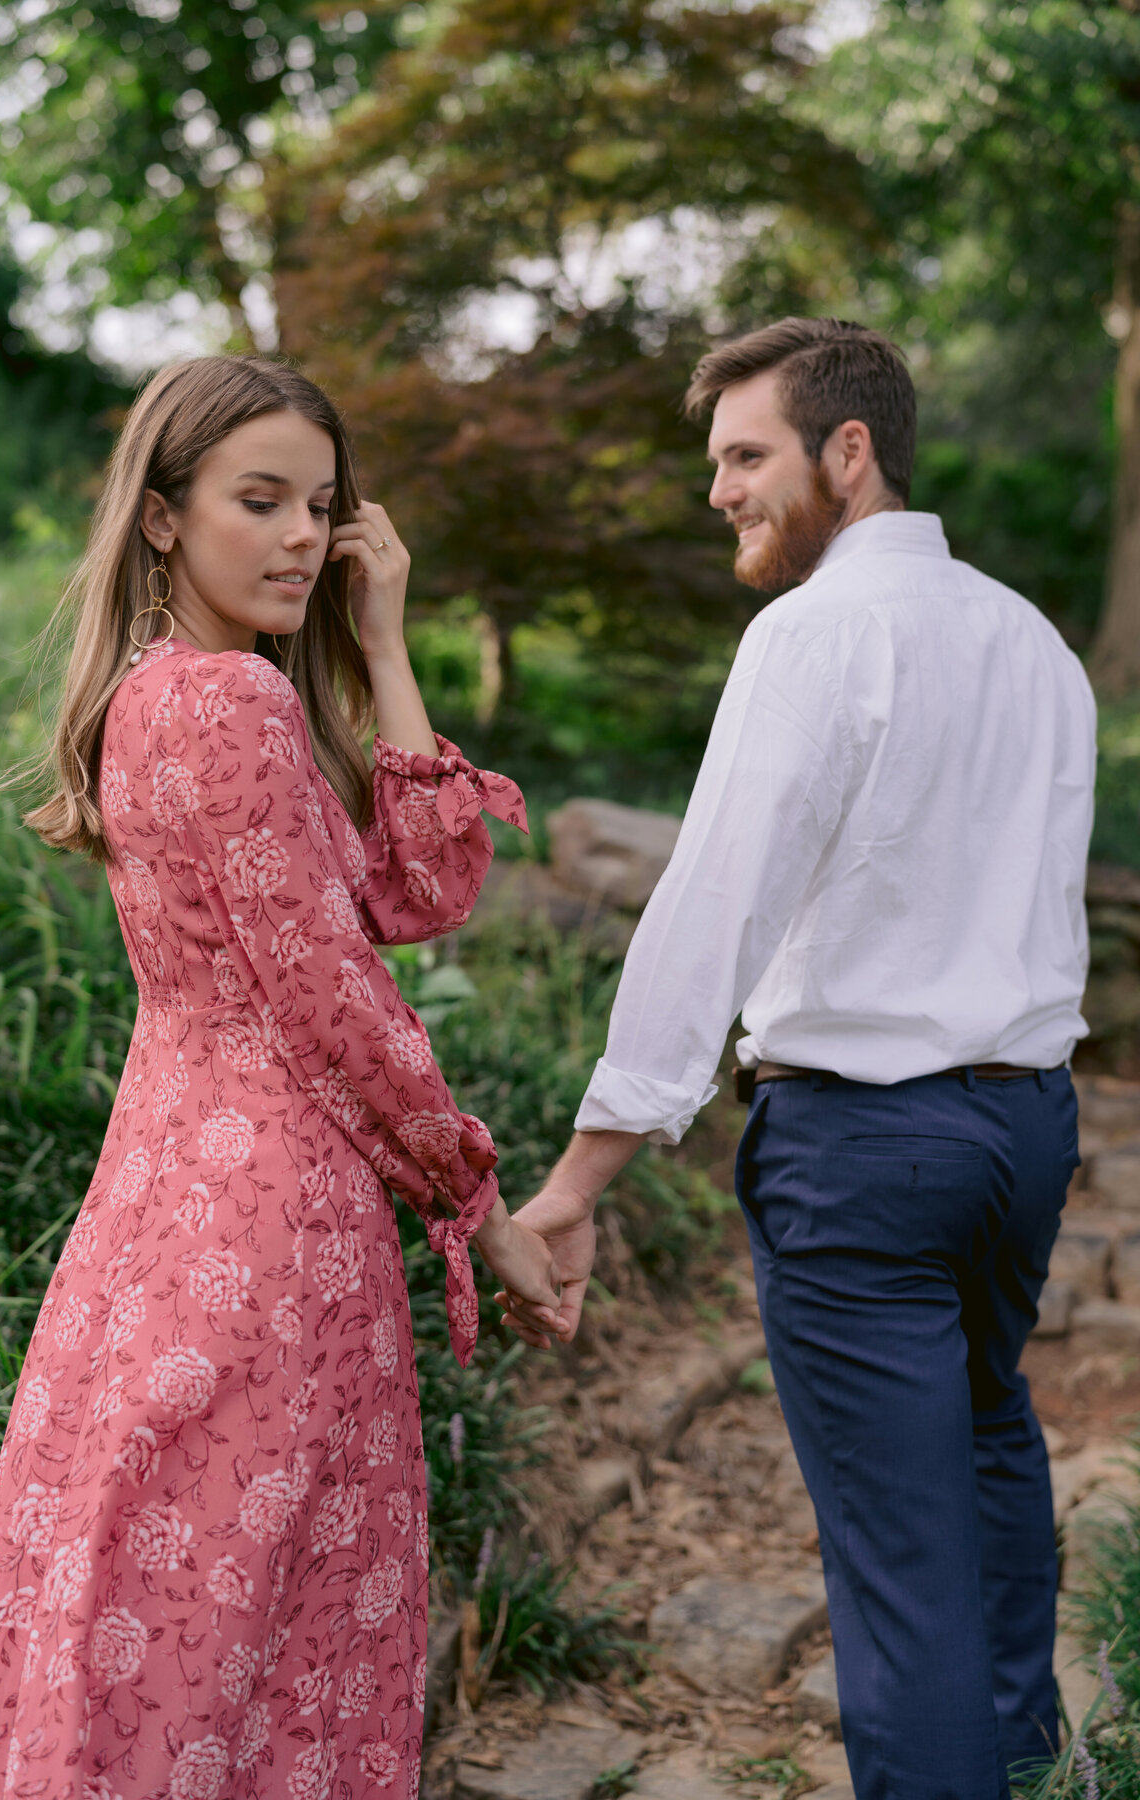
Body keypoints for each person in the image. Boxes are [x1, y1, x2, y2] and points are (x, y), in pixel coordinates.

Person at [0, 354, 561, 1800]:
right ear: (162, 517)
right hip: (267, 1231)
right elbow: (344, 1003)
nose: (301, 536)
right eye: (260, 500)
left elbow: (418, 888)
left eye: (323, 509)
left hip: (159, 1208)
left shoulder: (161, 699)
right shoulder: (228, 706)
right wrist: (481, 1207)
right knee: (253, 1635)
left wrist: (383, 634)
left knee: (155, 1619)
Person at [497, 318, 1095, 1800]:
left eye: (743, 455)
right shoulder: (1035, 642)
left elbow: (713, 908)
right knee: (988, 1434)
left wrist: (580, 1180)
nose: (719, 492)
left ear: (849, 450)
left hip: (867, 1156)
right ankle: (1030, 1762)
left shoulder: (818, 630)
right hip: (1024, 1132)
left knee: (898, 1560)